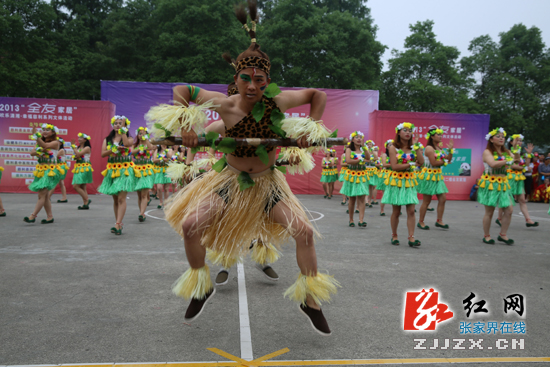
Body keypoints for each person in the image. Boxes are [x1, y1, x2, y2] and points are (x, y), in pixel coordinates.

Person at [146, 2, 339, 336]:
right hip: (230, 181)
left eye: (260, 80)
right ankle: (200, 282)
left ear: (267, 81)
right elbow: (183, 90)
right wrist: (186, 120)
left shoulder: (277, 103)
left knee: (304, 232)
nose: (253, 86)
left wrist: (313, 127)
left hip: (268, 184)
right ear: (236, 79)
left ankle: (310, 298)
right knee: (192, 225)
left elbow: (316, 94)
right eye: (246, 79)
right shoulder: (225, 105)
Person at [381, 122, 425, 247]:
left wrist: (417, 148)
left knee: (411, 211)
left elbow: (421, 162)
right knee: (396, 211)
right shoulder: (393, 148)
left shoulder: (414, 147)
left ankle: (411, 237)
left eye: (409, 131)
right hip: (397, 181)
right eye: (405, 130)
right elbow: (394, 166)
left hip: (409, 180)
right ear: (398, 132)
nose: (407, 133)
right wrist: (410, 164)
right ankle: (394, 235)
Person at [477, 128, 515, 245]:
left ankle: (503, 234)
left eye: (503, 136)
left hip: (503, 184)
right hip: (491, 184)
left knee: (509, 210)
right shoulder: (487, 152)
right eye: (498, 136)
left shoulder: (507, 152)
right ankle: (487, 236)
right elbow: (493, 164)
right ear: (492, 139)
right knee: (490, 211)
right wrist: (508, 161)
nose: (501, 138)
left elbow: (516, 160)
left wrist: (516, 151)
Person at [98, 115, 136, 235]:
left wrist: (123, 132)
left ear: (125, 126)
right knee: (115, 199)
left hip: (125, 170)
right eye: (116, 123)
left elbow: (126, 143)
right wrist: (113, 149)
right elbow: (103, 154)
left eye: (120, 123)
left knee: (121, 198)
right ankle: (118, 223)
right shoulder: (107, 139)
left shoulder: (129, 138)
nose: (117, 125)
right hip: (112, 170)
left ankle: (118, 224)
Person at [495, 134, 537, 228]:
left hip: (519, 178)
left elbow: (526, 164)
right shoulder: (507, 152)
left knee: (522, 200)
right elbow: (512, 166)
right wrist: (524, 168)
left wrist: (529, 154)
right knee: (505, 199)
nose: (519, 142)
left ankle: (528, 220)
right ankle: (499, 218)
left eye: (520, 141)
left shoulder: (519, 153)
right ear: (511, 142)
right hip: (510, 177)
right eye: (517, 140)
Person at [24, 124, 63, 224]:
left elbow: (45, 146)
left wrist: (37, 137)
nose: (44, 131)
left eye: (47, 130)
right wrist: (39, 149)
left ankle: (32, 216)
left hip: (50, 171)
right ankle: (50, 217)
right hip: (41, 171)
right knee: (44, 196)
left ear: (53, 132)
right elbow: (32, 153)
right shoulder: (40, 142)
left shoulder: (55, 143)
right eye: (43, 130)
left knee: (42, 194)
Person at [417, 128, 454, 230]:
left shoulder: (439, 148)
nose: (440, 136)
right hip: (429, 176)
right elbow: (433, 163)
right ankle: (421, 221)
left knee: (443, 199)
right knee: (426, 201)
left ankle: (439, 220)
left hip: (437, 175)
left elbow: (448, 159)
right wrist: (445, 162)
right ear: (432, 136)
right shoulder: (429, 148)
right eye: (438, 134)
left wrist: (450, 151)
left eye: (440, 134)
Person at [340, 132, 369, 227]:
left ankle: (361, 220)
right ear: (352, 139)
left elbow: (368, 159)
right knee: (352, 199)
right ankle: (351, 219)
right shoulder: (349, 149)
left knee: (361, 199)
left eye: (361, 137)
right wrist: (360, 161)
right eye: (356, 137)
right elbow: (348, 161)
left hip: (362, 175)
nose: (359, 139)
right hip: (352, 175)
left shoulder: (363, 150)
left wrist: (364, 147)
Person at [133, 127, 156, 222]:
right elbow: (131, 152)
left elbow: (151, 148)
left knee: (143, 195)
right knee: (139, 194)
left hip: (146, 170)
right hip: (137, 170)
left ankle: (142, 214)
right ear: (137, 135)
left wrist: (146, 139)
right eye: (140, 133)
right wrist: (139, 147)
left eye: (143, 133)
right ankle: (141, 212)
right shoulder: (135, 145)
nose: (141, 135)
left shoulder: (148, 143)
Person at [71, 133, 93, 210]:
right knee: (83, 186)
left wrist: (73, 147)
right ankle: (85, 204)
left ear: (85, 140)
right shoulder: (79, 147)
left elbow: (79, 154)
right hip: (78, 166)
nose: (79, 139)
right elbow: (77, 156)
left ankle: (87, 199)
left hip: (85, 167)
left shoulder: (87, 148)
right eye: (79, 138)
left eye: (81, 138)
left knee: (76, 186)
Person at [49, 138, 68, 203]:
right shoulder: (57, 150)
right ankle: (64, 197)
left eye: (58, 141)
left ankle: (48, 197)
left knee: (55, 182)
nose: (56, 142)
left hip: (61, 167)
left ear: (61, 143)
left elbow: (54, 156)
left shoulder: (61, 150)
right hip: (59, 166)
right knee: (61, 183)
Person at [376, 140, 393, 216]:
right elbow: (384, 164)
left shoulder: (396, 155)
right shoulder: (384, 155)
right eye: (390, 144)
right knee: (384, 193)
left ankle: (396, 209)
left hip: (393, 175)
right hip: (385, 175)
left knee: (393, 193)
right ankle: (382, 210)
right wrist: (394, 165)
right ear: (387, 146)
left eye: (393, 144)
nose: (391, 146)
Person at [153, 144, 172, 209]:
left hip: (166, 169)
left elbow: (170, 158)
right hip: (159, 170)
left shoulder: (169, 150)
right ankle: (161, 201)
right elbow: (154, 160)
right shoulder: (157, 150)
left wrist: (165, 150)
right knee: (159, 187)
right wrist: (161, 159)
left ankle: (165, 202)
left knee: (166, 188)